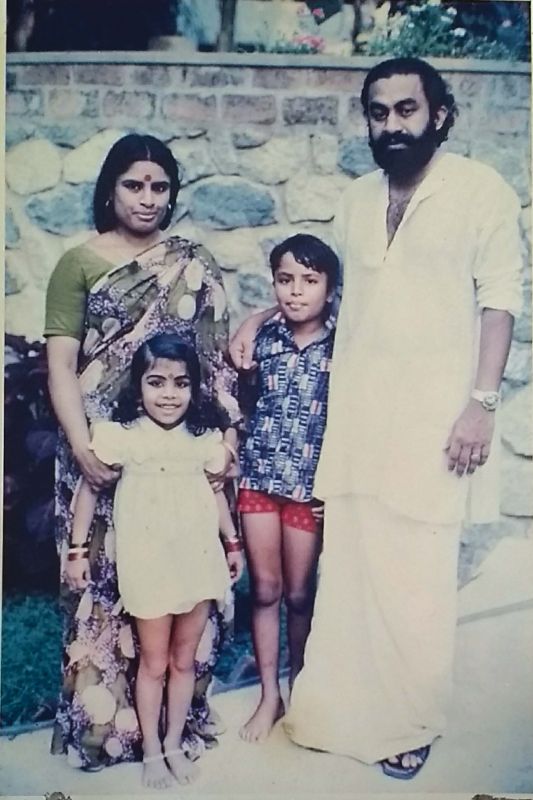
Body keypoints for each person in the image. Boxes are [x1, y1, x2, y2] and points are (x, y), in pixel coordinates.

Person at [231, 58, 523, 779]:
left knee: (415, 580)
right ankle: (335, 712)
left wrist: (479, 405)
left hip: (434, 426)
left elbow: (500, 301)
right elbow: (328, 293)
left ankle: (410, 720)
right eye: (378, 112)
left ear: (438, 115)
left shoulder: (478, 191)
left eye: (404, 110)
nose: (390, 125)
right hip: (355, 421)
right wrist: (261, 312)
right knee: (353, 576)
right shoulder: (358, 198)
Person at [45, 133, 241, 771]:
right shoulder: (77, 261)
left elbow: (212, 365)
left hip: (176, 458)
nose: (148, 198)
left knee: (178, 585)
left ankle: (173, 723)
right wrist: (81, 447)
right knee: (99, 589)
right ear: (109, 188)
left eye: (160, 187)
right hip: (99, 453)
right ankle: (107, 730)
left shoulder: (190, 262)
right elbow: (62, 365)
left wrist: (226, 441)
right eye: (134, 184)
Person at [65, 335, 244, 788]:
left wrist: (232, 543)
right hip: (148, 564)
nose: (169, 394)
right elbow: (89, 490)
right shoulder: (122, 436)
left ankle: (172, 743)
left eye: (181, 384)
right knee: (154, 662)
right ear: (138, 386)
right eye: (157, 382)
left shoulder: (203, 438)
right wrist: (77, 550)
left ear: (193, 387)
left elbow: (216, 491)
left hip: (198, 561)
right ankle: (150, 753)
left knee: (185, 662)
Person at [237, 234, 339, 744]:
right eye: (285, 280)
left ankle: (303, 688)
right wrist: (255, 320)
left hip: (306, 491)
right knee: (265, 591)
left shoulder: (343, 345)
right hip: (259, 480)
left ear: (330, 289)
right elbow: (239, 399)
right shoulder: (263, 342)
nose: (295, 292)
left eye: (309, 281)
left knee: (300, 596)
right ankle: (269, 695)